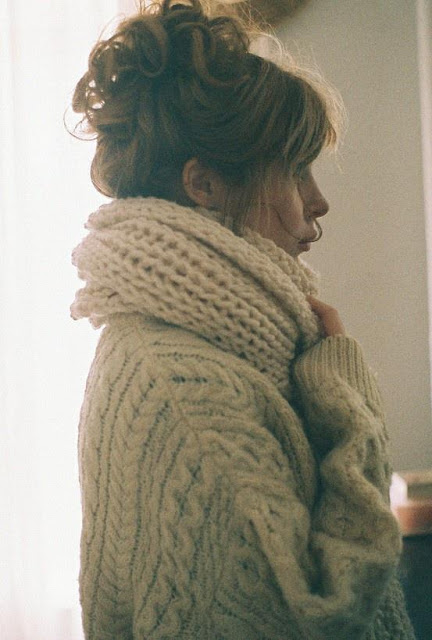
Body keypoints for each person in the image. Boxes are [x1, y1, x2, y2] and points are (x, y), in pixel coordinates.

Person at [70, 1, 415, 638]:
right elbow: (326, 615)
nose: (319, 201)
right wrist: (349, 403)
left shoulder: (208, 347)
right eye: (295, 170)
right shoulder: (192, 392)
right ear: (204, 185)